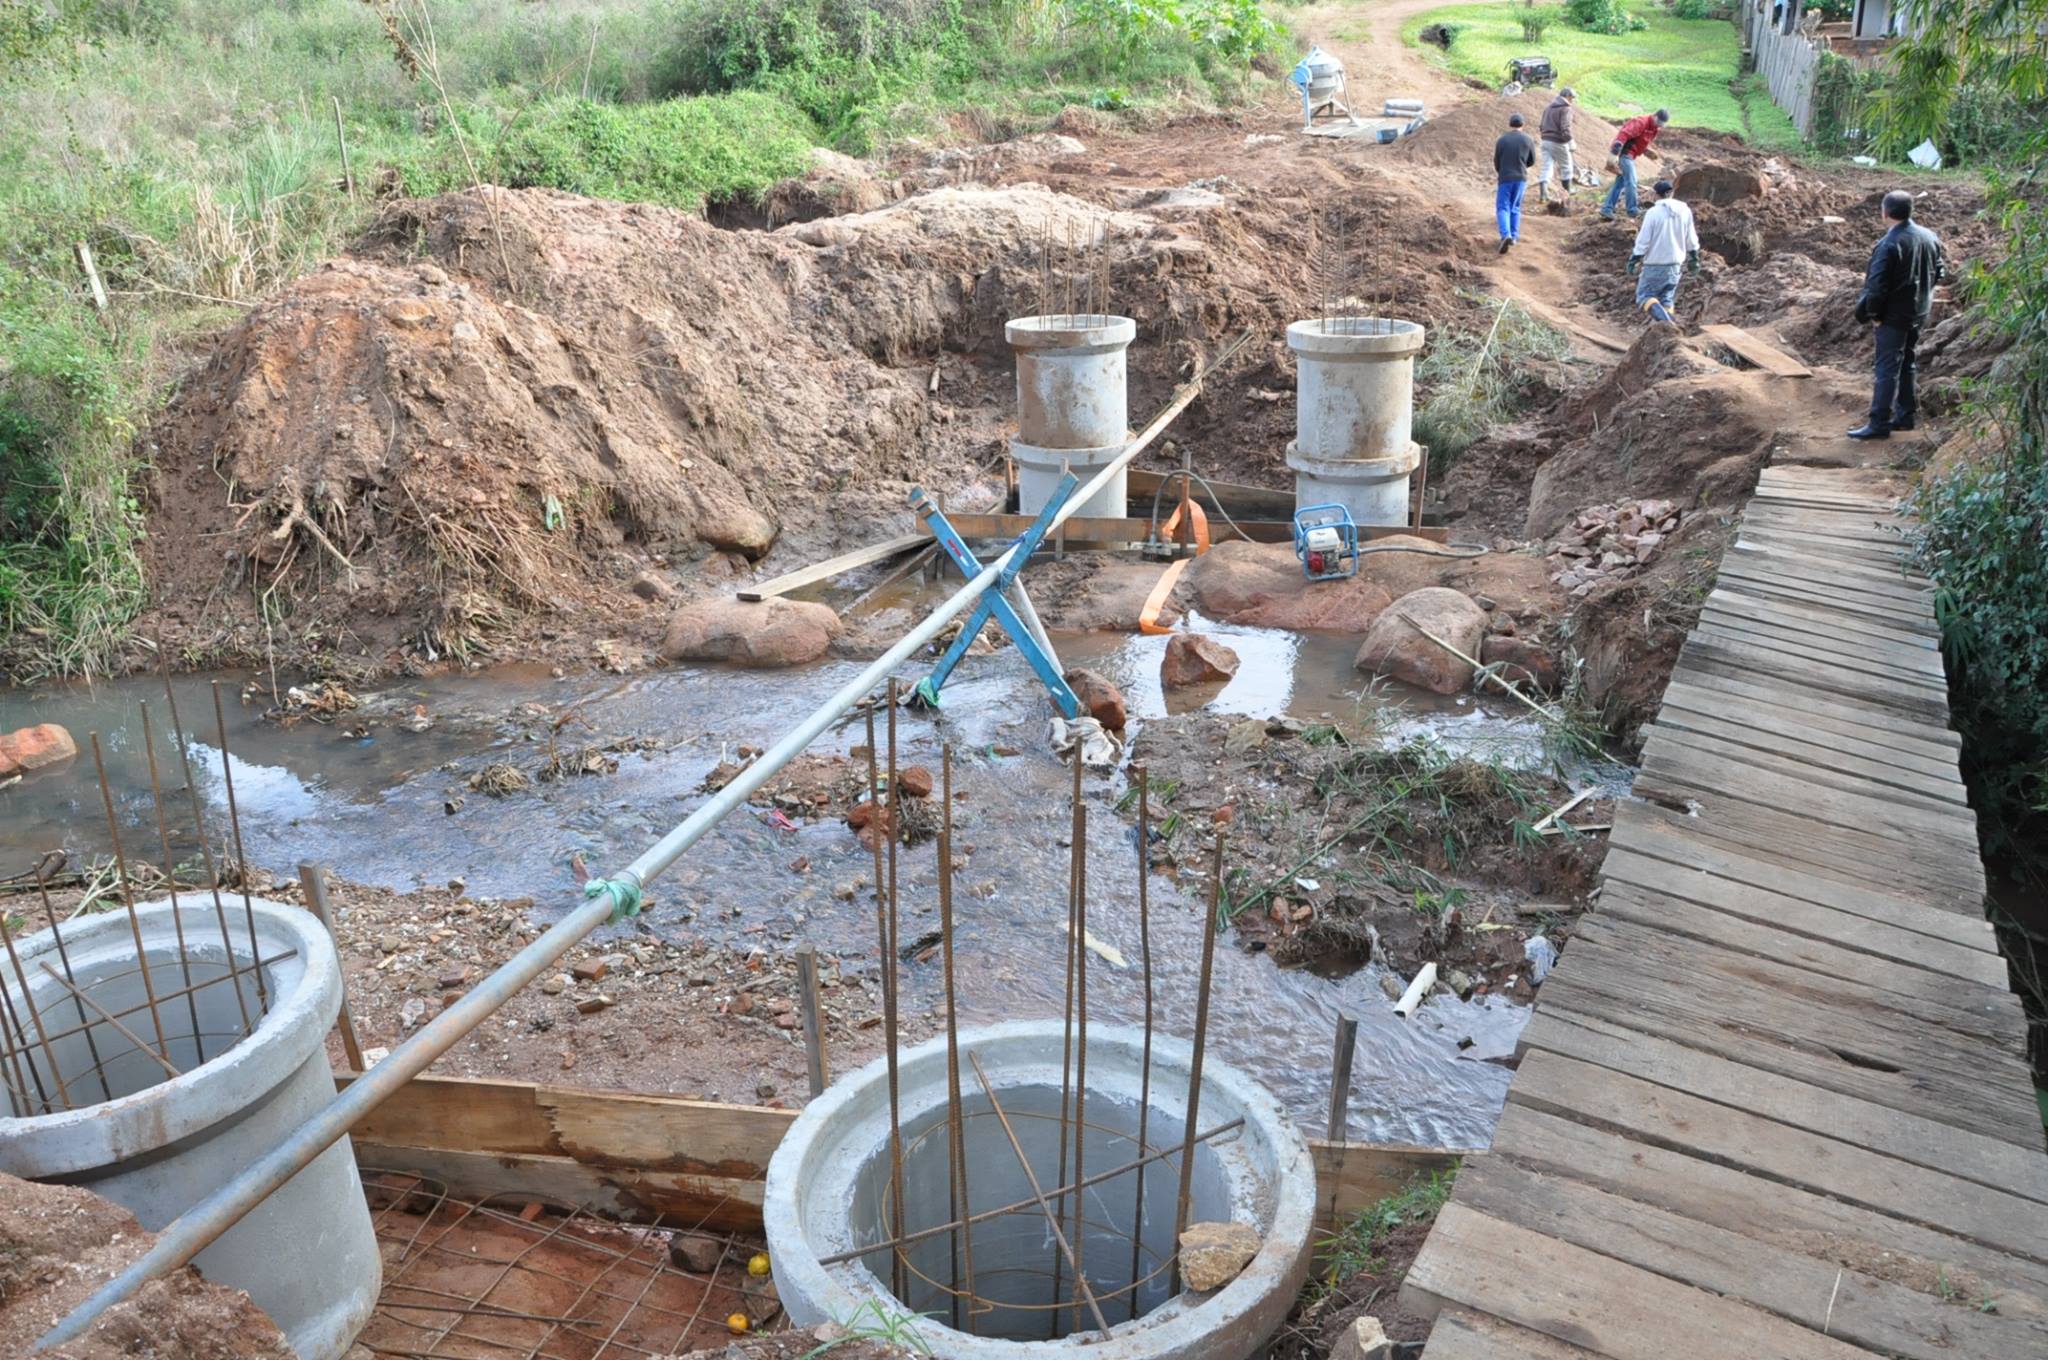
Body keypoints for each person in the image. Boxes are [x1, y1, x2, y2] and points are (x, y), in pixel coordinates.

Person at [1850, 189, 1945, 440]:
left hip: (1893, 316)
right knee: (1908, 363)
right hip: (1919, 312)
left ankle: (1879, 423)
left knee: (1886, 369)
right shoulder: (1929, 236)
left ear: (1885, 212)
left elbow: (1877, 285)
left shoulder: (1889, 244)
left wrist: (1875, 314)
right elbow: (1939, 272)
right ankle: (1905, 417)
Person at [1627, 180, 1700, 323]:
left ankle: (1669, 326)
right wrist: (1694, 258)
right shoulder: (1685, 211)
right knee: (1666, 299)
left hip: (1655, 264)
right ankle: (1669, 331)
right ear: (1671, 193)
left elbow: (1643, 240)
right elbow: (1691, 238)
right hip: (1675, 266)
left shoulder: (1653, 213)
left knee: (1645, 296)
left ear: (1655, 195)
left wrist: (1634, 259)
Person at [1600, 108, 1670, 221]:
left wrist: (1646, 151)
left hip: (1632, 155)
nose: (1659, 126)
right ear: (1655, 116)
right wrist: (1614, 153)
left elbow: (1642, 140)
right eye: (1659, 122)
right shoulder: (1641, 122)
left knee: (1619, 184)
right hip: (1625, 154)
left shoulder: (1655, 128)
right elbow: (1624, 134)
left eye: (1662, 124)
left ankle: (1607, 208)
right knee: (1632, 182)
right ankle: (1632, 210)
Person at [1494, 112, 1536, 254]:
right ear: (1522, 125)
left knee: (1503, 207)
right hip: (1521, 178)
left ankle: (1506, 235)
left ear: (1510, 124)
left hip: (1505, 177)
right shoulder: (1528, 139)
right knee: (1515, 207)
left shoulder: (1502, 140)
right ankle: (1514, 236)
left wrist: (1502, 171)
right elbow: (1532, 160)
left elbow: (1497, 161)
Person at [1538, 87, 1577, 202]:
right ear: (1567, 96)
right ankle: (1567, 194)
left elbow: (1541, 126)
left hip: (1545, 141)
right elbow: (1565, 128)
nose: (1572, 100)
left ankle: (1543, 195)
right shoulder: (1566, 109)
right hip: (1558, 141)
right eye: (1572, 97)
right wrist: (1570, 141)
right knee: (1566, 167)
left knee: (1547, 167)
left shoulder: (1548, 108)